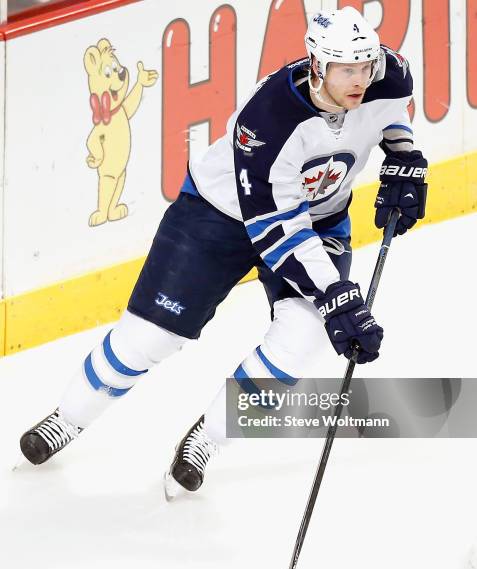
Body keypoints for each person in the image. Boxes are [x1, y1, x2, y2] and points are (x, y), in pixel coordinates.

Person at [19, 7, 428, 498]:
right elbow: (277, 227)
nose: (361, 77)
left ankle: (208, 439)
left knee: (302, 335)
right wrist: (336, 292)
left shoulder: (389, 73)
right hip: (220, 216)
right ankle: (69, 417)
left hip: (320, 218)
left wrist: (404, 155)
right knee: (150, 338)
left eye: (365, 65)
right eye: (347, 69)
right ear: (318, 64)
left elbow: (390, 115)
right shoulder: (269, 119)